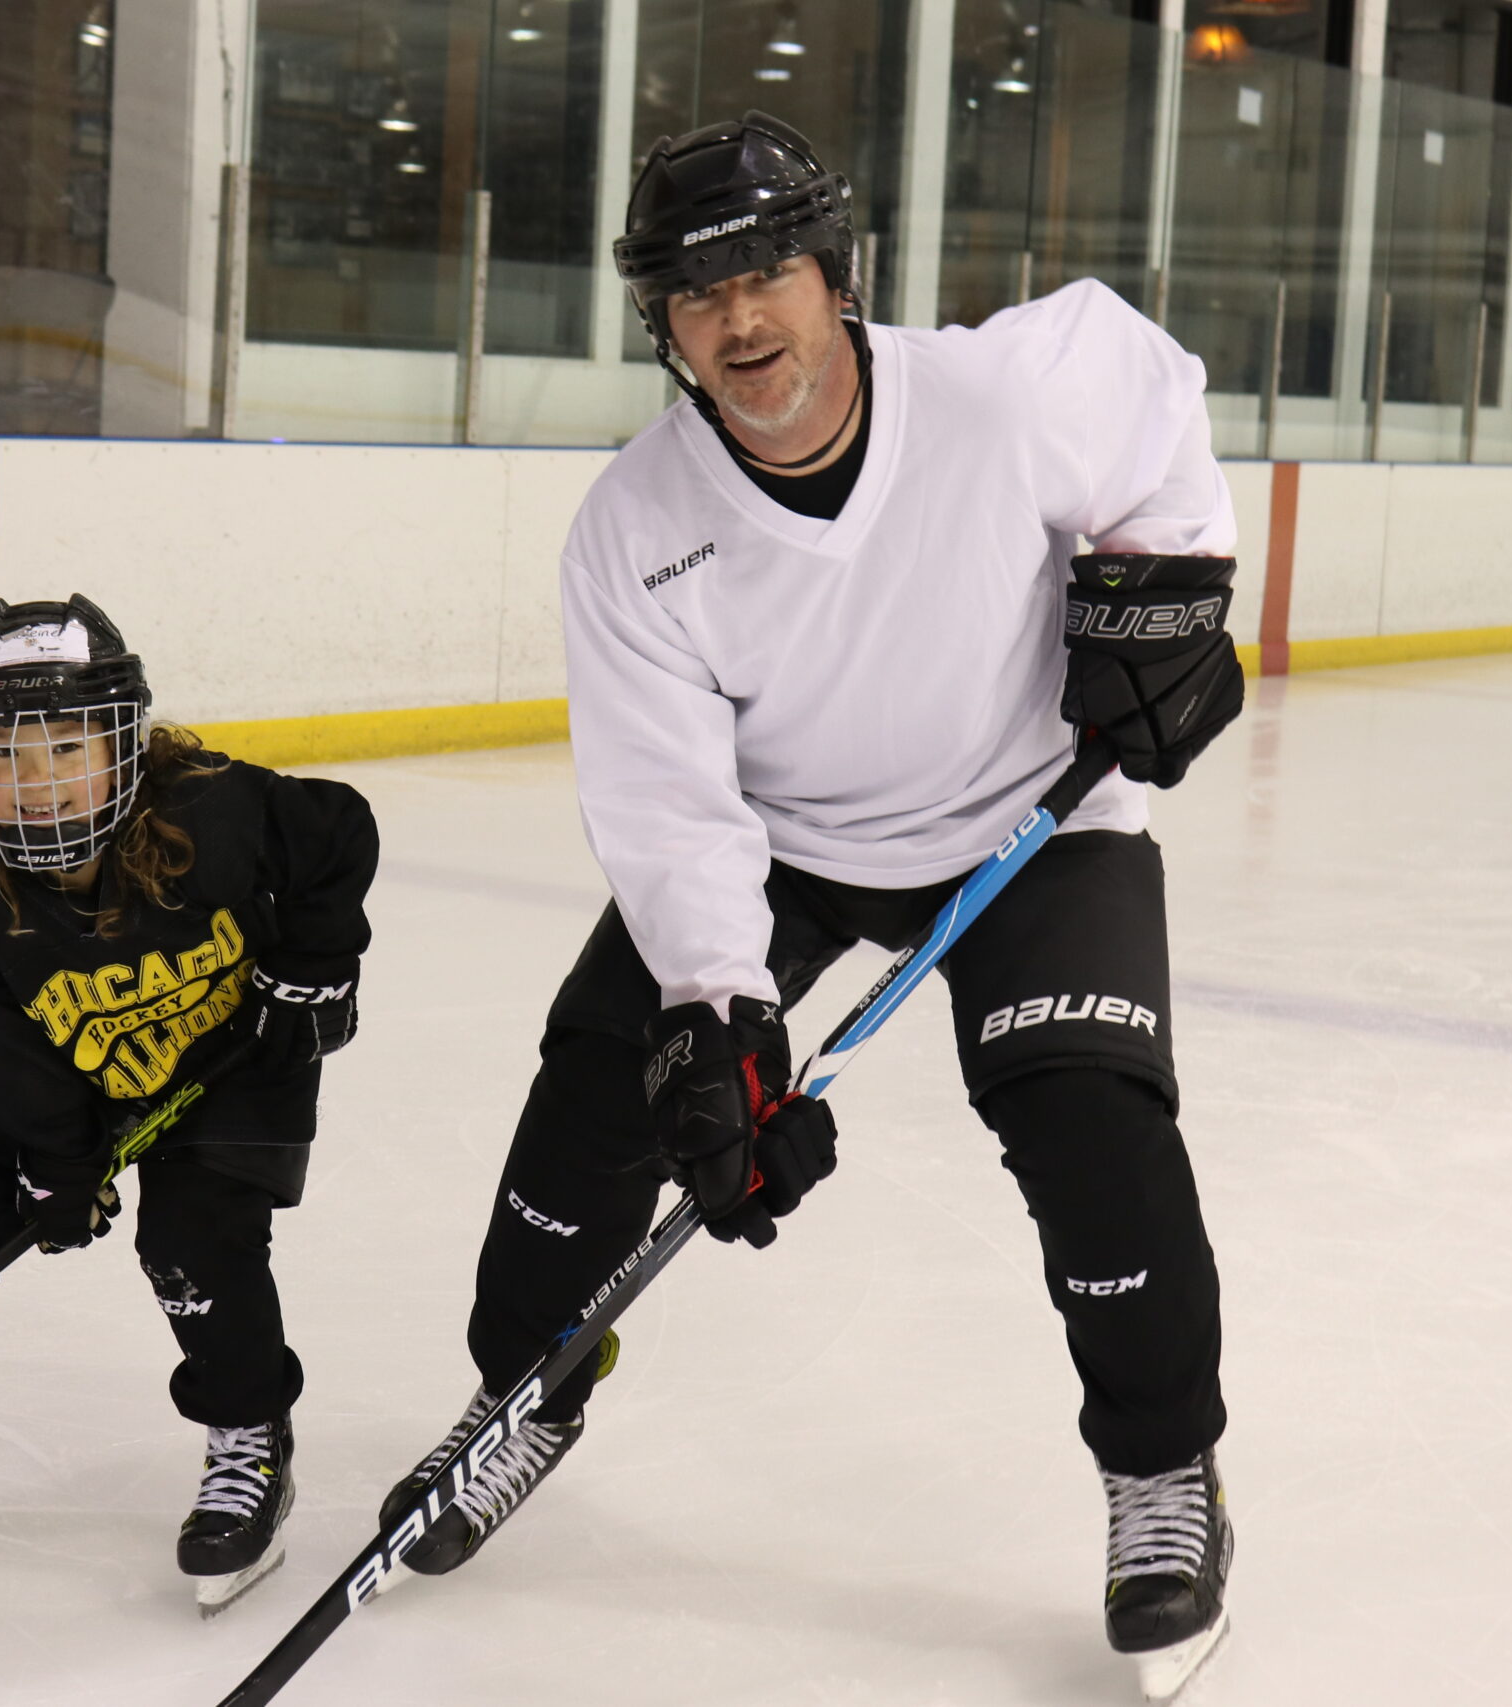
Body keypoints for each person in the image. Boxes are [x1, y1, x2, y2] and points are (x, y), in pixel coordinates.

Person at [379, 114, 1245, 1702]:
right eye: (697, 294)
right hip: (785, 848)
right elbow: (664, 799)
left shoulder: (990, 397)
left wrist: (1172, 582)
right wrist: (718, 1012)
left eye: (769, 268)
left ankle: (1162, 1472)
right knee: (599, 1105)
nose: (742, 318)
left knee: (1096, 1133)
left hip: (1035, 825)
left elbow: (1147, 385)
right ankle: (527, 1393)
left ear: (836, 275)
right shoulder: (634, 528)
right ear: (664, 328)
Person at [0, 595, 377, 1618]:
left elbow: (335, 829)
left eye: (66, 746)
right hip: (59, 1080)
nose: (37, 781)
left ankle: (249, 1436)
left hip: (234, 1062)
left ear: (124, 744)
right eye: (4, 756)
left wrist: (316, 966)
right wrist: (53, 1161)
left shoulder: (215, 810)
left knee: (195, 1242)